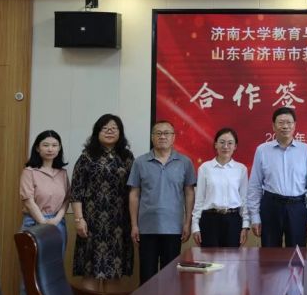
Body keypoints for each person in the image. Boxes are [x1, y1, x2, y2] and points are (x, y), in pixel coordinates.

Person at [128, 120, 196, 285]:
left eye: (167, 133)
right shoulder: (140, 162)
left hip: (174, 228)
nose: (162, 136)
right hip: (146, 227)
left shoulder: (185, 162)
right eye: (158, 133)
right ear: (152, 137)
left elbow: (189, 193)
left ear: (173, 137)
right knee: (147, 276)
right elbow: (134, 194)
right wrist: (134, 225)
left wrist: (187, 223)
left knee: (171, 278)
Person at [70, 114, 134, 279]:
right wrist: (79, 219)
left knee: (116, 271)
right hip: (92, 221)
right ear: (97, 132)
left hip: (120, 221)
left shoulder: (127, 157)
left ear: (120, 132)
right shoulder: (87, 156)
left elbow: (134, 190)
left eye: (114, 128)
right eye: (105, 128)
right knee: (90, 270)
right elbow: (76, 190)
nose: (109, 131)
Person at [247, 107, 307, 247]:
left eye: (289, 122)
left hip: (297, 208)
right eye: (280, 122)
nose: (285, 126)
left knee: (297, 254)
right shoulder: (262, 150)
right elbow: (255, 185)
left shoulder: (306, 150)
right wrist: (255, 216)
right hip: (271, 207)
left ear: (295, 125)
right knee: (270, 255)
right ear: (273, 126)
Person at [192, 127, 249, 247]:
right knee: (209, 257)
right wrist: (195, 226)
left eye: (230, 143)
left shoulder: (241, 169)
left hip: (233, 220)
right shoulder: (205, 168)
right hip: (209, 220)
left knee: (232, 258)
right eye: (222, 142)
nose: (225, 146)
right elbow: (199, 199)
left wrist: (245, 225)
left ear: (235, 146)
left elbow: (244, 199)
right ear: (216, 145)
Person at [20, 130, 70, 250]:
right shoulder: (29, 172)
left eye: (54, 145)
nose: (50, 149)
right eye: (46, 145)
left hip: (58, 223)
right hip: (34, 222)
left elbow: (67, 199)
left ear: (59, 148)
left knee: (56, 259)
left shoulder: (62, 173)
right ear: (38, 148)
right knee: (34, 260)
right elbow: (28, 201)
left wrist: (57, 219)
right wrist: (43, 222)